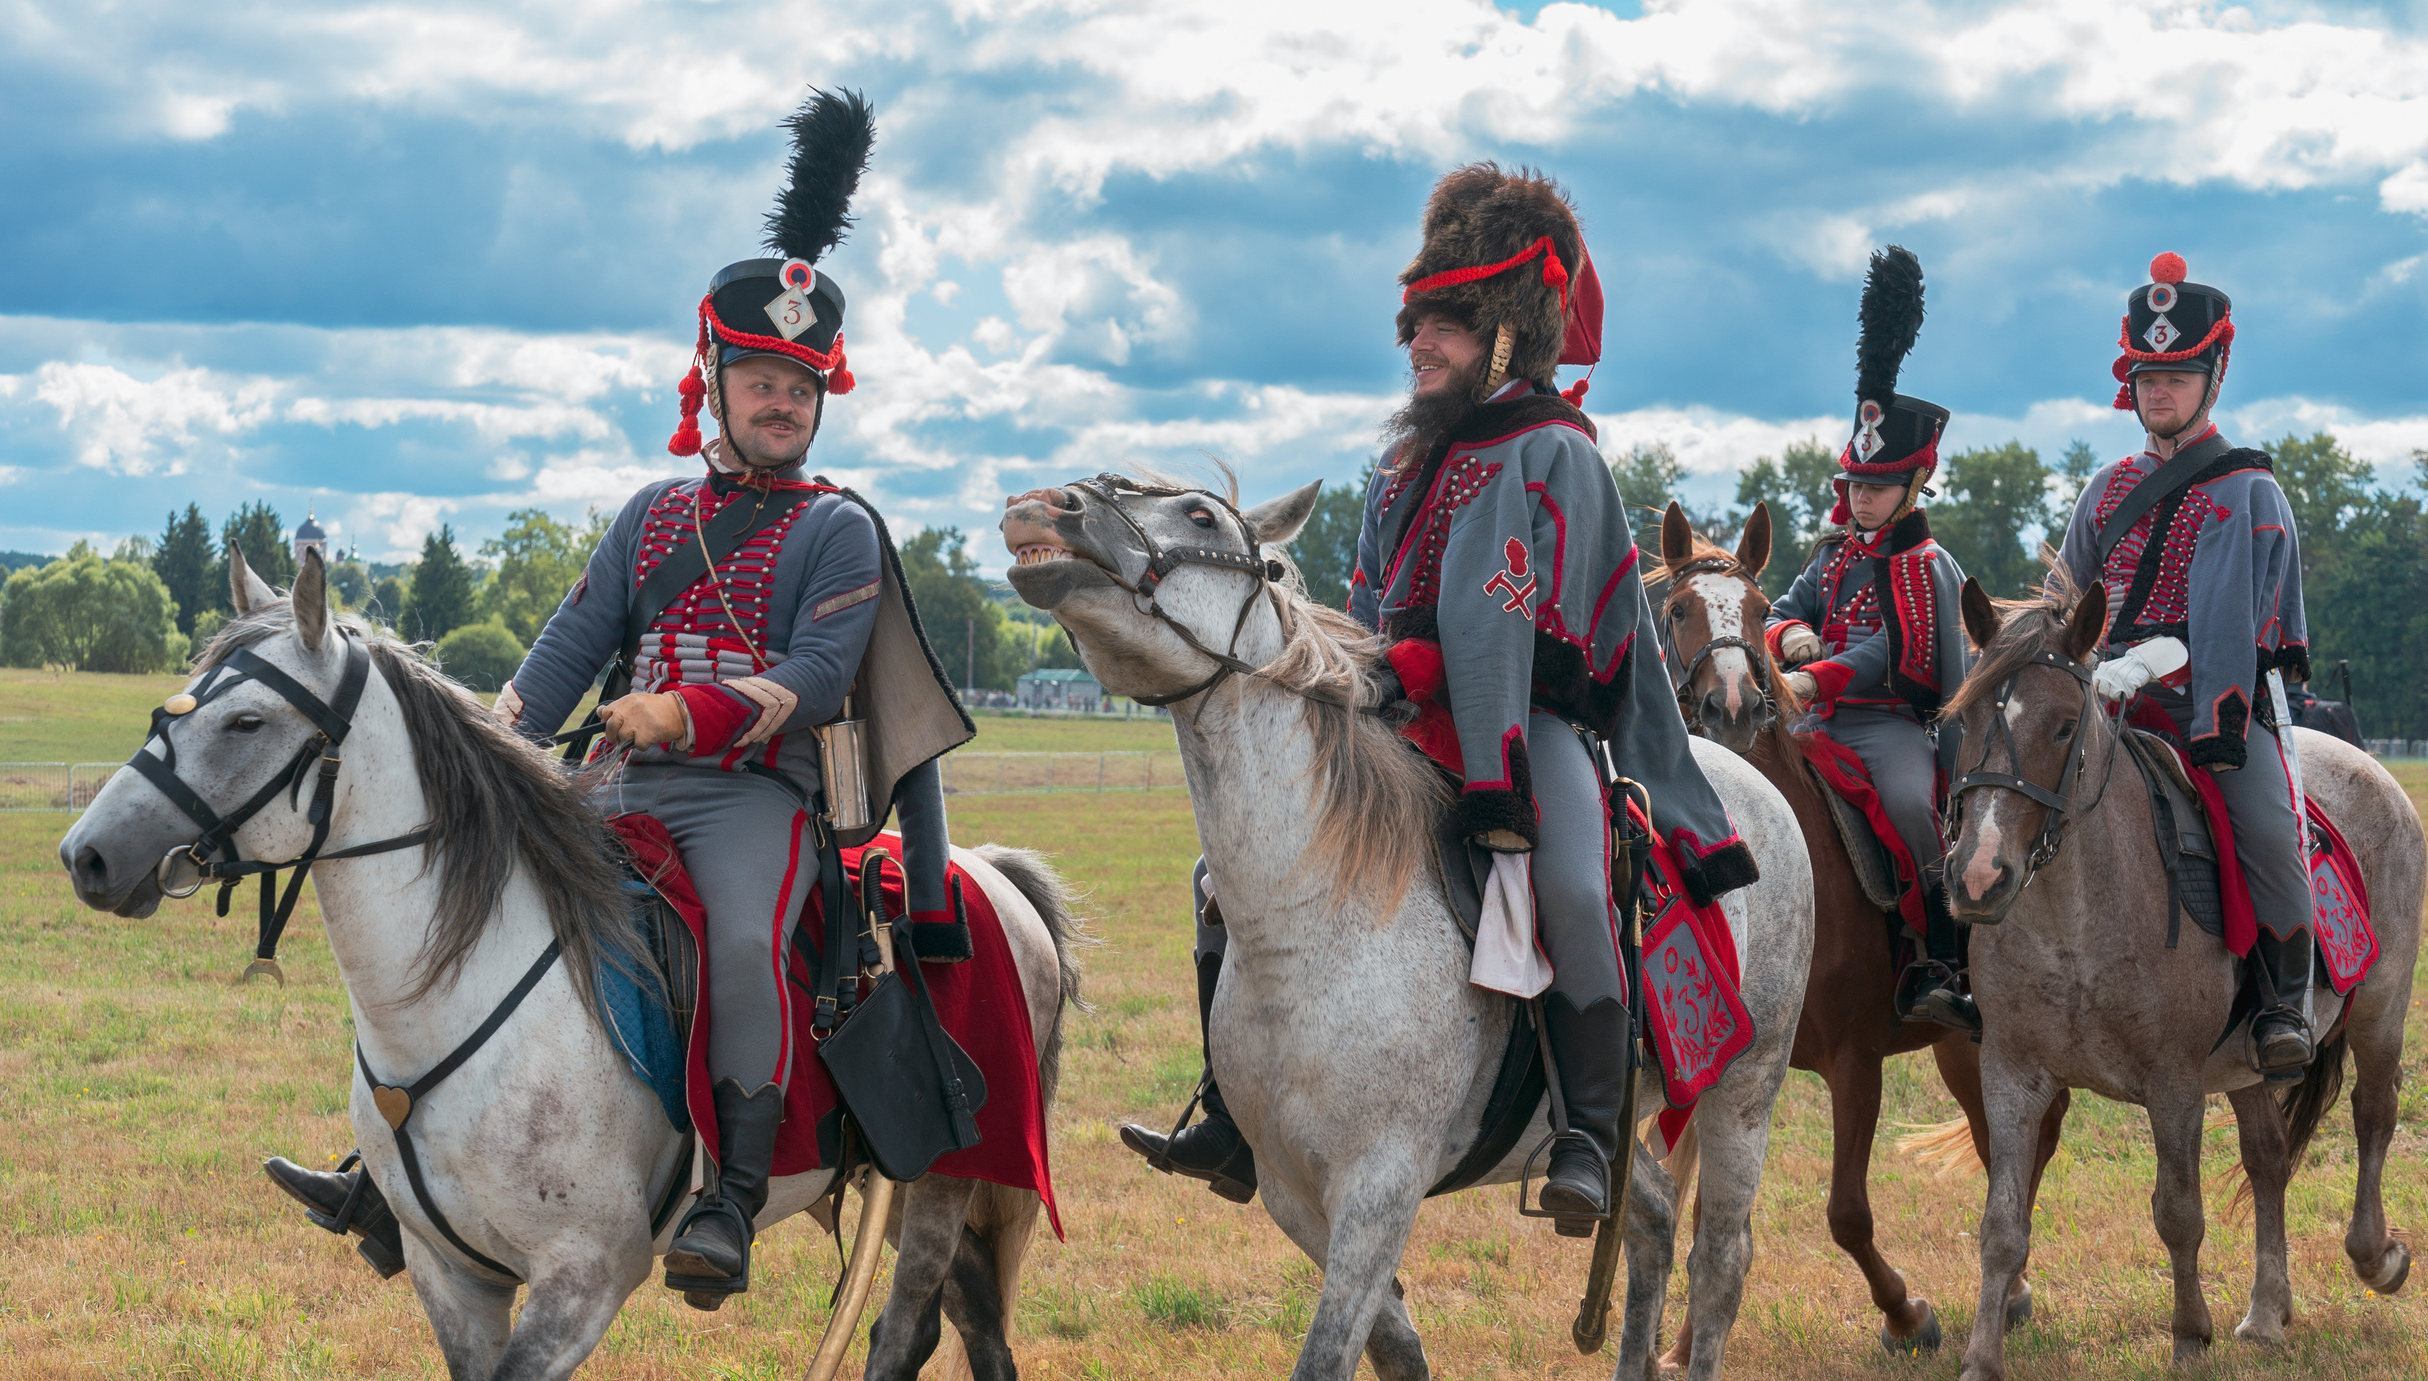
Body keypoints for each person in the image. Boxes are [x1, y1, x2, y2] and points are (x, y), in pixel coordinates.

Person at [265, 90, 978, 1300]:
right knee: (475, 916)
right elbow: (567, 646)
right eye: (759, 379)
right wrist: (499, 742)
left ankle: (732, 1200)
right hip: (612, 782)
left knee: (747, 945)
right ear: (713, 378)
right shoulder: (652, 518)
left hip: (757, 797)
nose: (781, 403)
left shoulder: (842, 530)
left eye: (801, 388)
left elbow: (815, 678)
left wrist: (681, 712)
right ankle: (388, 1170)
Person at [1121, 163, 1758, 1226]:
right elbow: (1374, 605)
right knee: (1222, 874)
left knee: (1569, 884)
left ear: (1505, 332)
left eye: (1446, 324)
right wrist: (1362, 672)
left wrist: (1453, 677)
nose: (1419, 341)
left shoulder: (1562, 454)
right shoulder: (1398, 469)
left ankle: (1589, 1136)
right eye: (1415, 322)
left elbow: (1569, 626)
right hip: (1399, 726)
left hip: (1530, 727)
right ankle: (1232, 1119)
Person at [2058, 251, 2314, 1076]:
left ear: (2213, 377)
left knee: (2271, 832)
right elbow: (2068, 601)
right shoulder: (2102, 490)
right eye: (2146, 375)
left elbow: (2248, 620)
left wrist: (2161, 658)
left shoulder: (2250, 492)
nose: (2158, 390)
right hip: (2103, 696)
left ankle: (2283, 1002)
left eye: (2178, 373)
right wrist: (2082, 659)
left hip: (2218, 707)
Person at [1764, 246, 1975, 1034]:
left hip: (1887, 726)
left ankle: (1939, 955)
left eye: (1879, 484)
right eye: (1855, 482)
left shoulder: (1927, 564)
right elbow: (1780, 608)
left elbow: (1898, 651)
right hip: (1809, 717)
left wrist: (1822, 678)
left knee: (1911, 810)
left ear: (1914, 484)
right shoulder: (1832, 555)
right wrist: (1791, 637)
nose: (1863, 495)